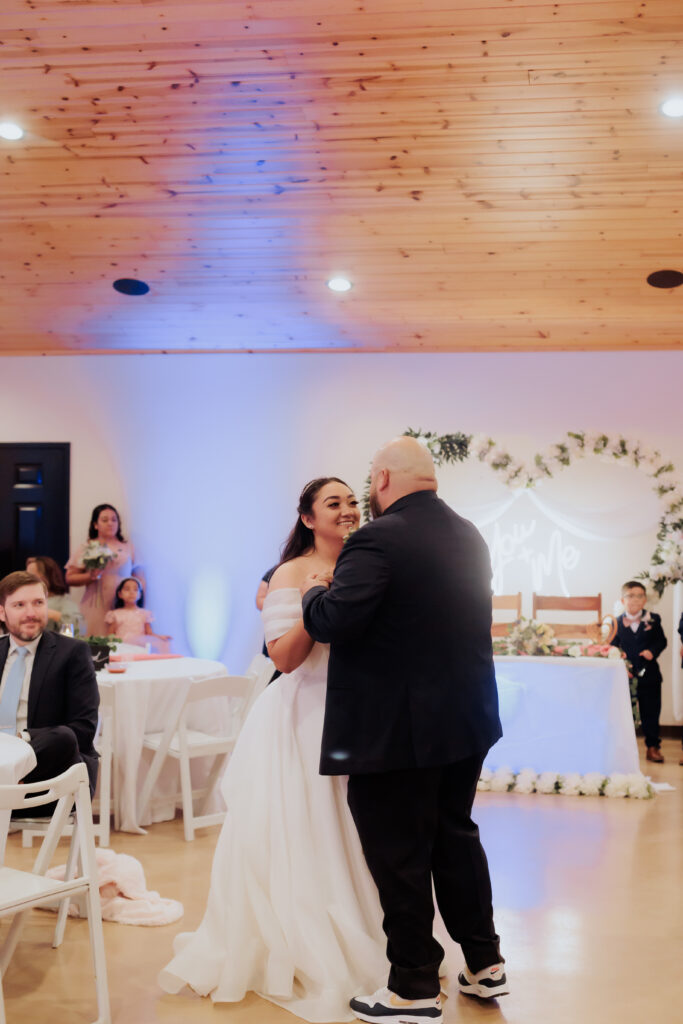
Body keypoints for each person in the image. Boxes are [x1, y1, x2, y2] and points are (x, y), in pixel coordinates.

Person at [159, 478, 388, 1022]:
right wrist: (320, 601)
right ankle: (306, 938)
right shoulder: (290, 573)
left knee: (362, 832)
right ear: (308, 518)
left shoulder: (370, 560)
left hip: (362, 714)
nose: (348, 510)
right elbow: (284, 658)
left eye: (352, 501)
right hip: (305, 716)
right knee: (306, 830)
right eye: (333, 504)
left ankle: (376, 928)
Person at [302, 437, 507, 1024]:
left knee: (400, 854)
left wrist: (317, 592)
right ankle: (485, 963)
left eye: (369, 477)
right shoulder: (468, 533)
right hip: (464, 721)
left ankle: (414, 986)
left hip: (397, 731)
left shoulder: (377, 539)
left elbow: (337, 620)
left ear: (384, 476)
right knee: (455, 838)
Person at [0, 571, 99, 801]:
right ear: (2, 612)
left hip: (51, 778)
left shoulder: (72, 653)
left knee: (64, 736)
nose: (31, 613)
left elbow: (84, 730)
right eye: (19, 605)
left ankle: (7, 778)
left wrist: (20, 739)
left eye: (38, 603)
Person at [65, 503, 144, 637]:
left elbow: (139, 578)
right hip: (95, 606)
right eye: (105, 520)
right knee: (95, 645)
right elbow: (69, 577)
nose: (110, 523)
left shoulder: (128, 547)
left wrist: (138, 601)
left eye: (114, 520)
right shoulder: (87, 547)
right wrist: (90, 576)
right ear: (95, 524)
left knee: (121, 643)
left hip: (123, 605)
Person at [611, 580, 668, 763]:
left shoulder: (654, 619)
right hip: (624, 676)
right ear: (622, 600)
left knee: (651, 711)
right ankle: (621, 748)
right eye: (630, 596)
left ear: (645, 599)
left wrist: (652, 651)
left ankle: (652, 747)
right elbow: (611, 645)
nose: (635, 599)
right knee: (622, 713)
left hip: (649, 674)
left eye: (639, 595)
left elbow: (661, 641)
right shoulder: (616, 623)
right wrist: (619, 654)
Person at [104, 577, 171, 651]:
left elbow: (149, 633)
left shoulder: (145, 614)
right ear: (120, 594)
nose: (131, 592)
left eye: (135, 590)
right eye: (127, 589)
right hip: (122, 646)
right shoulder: (115, 614)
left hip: (140, 646)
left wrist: (160, 637)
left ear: (140, 595)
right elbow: (110, 634)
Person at [25, 555, 86, 636]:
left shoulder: (63, 601)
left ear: (46, 577)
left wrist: (52, 614)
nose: (26, 579)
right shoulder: (24, 599)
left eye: (31, 575)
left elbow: (78, 627)